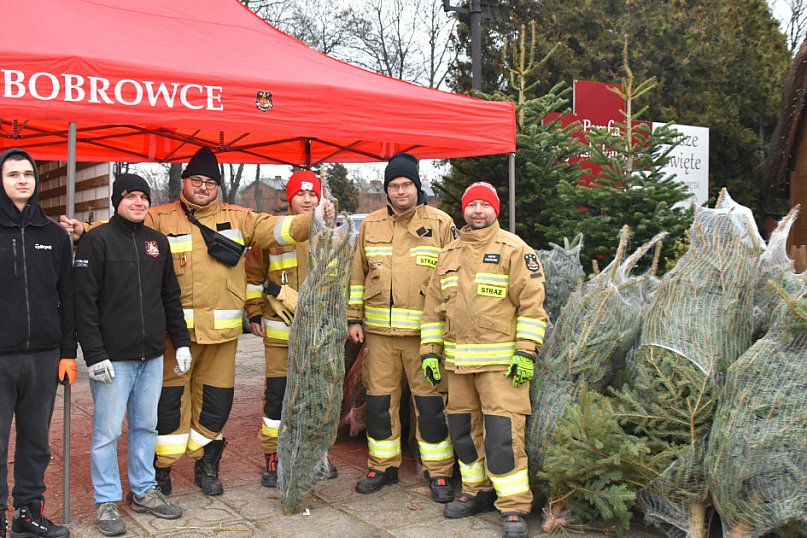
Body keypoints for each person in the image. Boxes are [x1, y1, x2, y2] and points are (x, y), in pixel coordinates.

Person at [60, 147, 333, 497]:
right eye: (196, 180)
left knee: (215, 406)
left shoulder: (239, 218)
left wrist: (314, 218)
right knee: (167, 409)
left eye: (210, 182)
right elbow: (120, 226)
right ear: (184, 182)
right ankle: (161, 471)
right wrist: (84, 229)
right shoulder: (160, 217)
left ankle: (207, 465)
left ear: (218, 186)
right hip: (173, 339)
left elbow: (278, 228)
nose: (203, 187)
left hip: (221, 338)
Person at [419, 182, 548, 538]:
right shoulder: (448, 254)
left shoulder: (514, 250)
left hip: (501, 367)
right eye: (472, 204)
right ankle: (475, 492)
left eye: (484, 205)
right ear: (464, 210)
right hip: (457, 367)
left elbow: (533, 307)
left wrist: (526, 352)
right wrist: (429, 351)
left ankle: (513, 507)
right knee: (463, 432)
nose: (478, 211)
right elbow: (432, 310)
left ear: (495, 209)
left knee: (502, 436)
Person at [73, 174, 190, 536]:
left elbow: (170, 296)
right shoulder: (96, 241)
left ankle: (143, 490)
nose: (139, 202)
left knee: (145, 427)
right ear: (117, 201)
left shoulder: (157, 242)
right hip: (113, 360)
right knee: (107, 433)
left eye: (143, 196)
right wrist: (94, 355)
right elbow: (84, 303)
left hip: (151, 356)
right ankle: (106, 500)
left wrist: (182, 342)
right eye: (131, 196)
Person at [347, 153, 456, 503]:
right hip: (380, 338)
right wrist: (354, 318)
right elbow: (358, 275)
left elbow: (453, 279)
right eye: (393, 186)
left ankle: (438, 472)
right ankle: (382, 466)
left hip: (425, 339)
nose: (400, 191)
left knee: (430, 405)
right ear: (387, 190)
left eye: (406, 184)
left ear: (417, 186)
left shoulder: (441, 224)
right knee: (379, 404)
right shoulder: (371, 225)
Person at [244, 170, 337, 487]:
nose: (307, 200)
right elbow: (253, 277)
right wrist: (254, 312)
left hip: (317, 334)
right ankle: (274, 455)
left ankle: (316, 454)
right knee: (277, 397)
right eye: (301, 194)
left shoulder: (329, 234)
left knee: (315, 395)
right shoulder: (273, 232)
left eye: (313, 194)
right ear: (290, 198)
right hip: (280, 334)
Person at [0, 148, 75, 538]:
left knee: (35, 443)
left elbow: (68, 296)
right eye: (13, 174)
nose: (21, 180)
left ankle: (27, 515)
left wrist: (68, 352)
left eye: (27, 174)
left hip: (43, 357)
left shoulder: (54, 235)